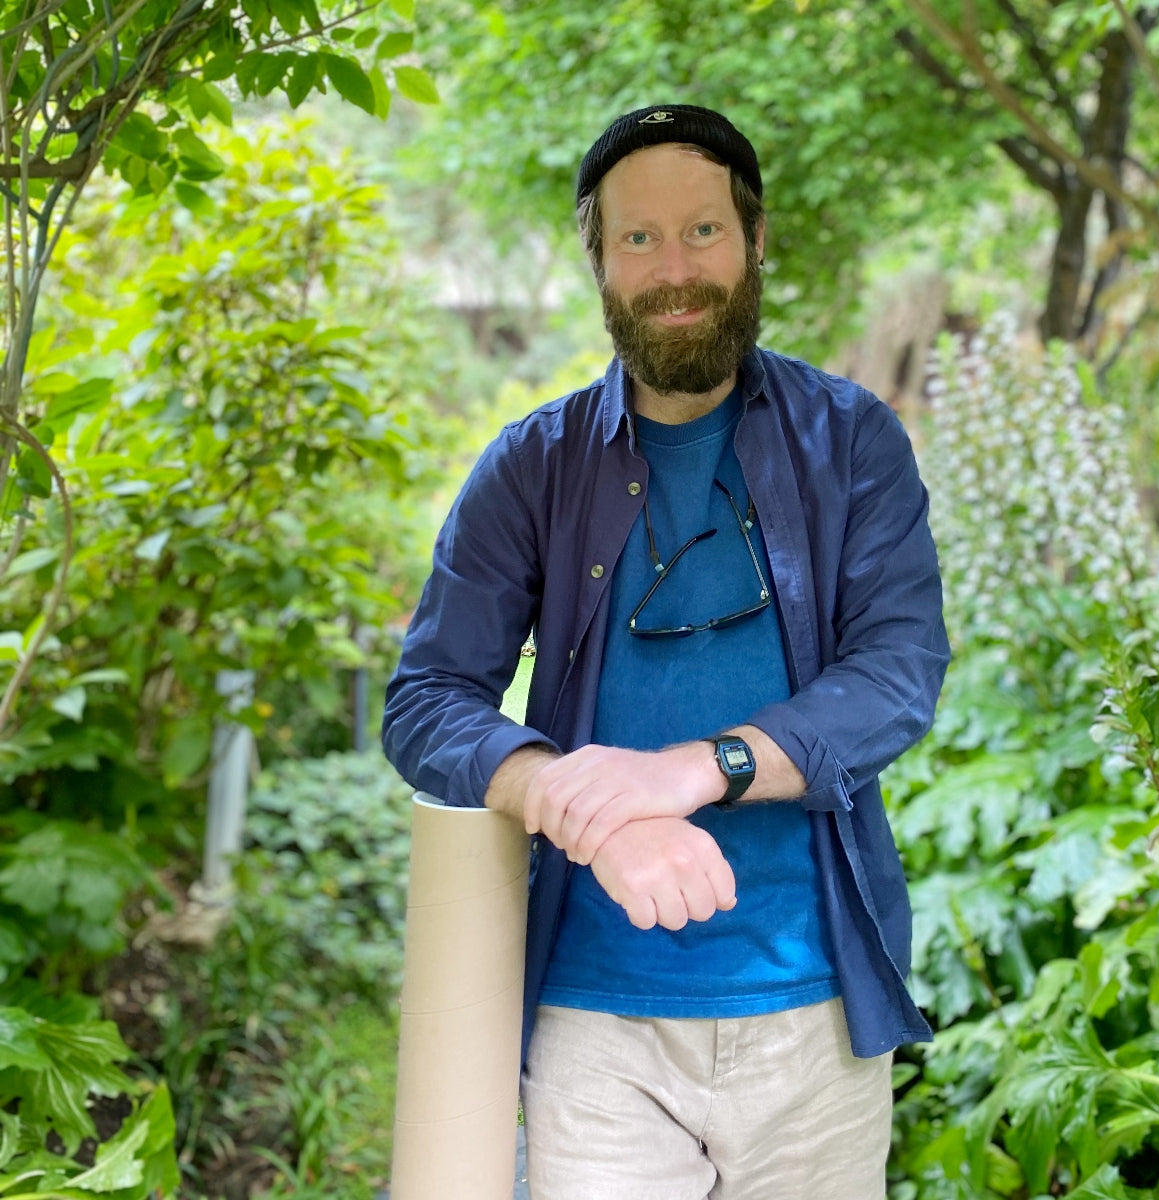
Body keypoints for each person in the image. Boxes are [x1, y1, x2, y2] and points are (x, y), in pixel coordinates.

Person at [382, 103, 950, 1200]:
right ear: (598, 260)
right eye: (638, 238)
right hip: (595, 1021)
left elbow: (897, 675)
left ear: (754, 241)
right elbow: (426, 701)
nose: (674, 269)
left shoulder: (854, 442)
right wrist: (568, 797)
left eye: (703, 232)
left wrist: (691, 770)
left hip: (817, 1010)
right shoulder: (528, 469)